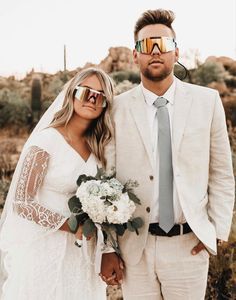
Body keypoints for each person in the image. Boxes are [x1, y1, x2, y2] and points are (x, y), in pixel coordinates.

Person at [101, 9, 235, 300]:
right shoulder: (116, 109)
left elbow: (222, 173)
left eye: (163, 44)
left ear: (176, 52)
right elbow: (107, 179)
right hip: (134, 247)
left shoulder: (207, 102)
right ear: (135, 56)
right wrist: (109, 247)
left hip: (189, 244)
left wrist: (216, 231)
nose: (155, 52)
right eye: (146, 46)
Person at [0, 67, 115, 299]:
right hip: (44, 247)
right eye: (86, 92)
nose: (92, 99)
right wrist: (70, 225)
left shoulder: (99, 147)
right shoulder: (47, 141)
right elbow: (22, 201)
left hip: (82, 255)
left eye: (100, 95)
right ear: (72, 94)